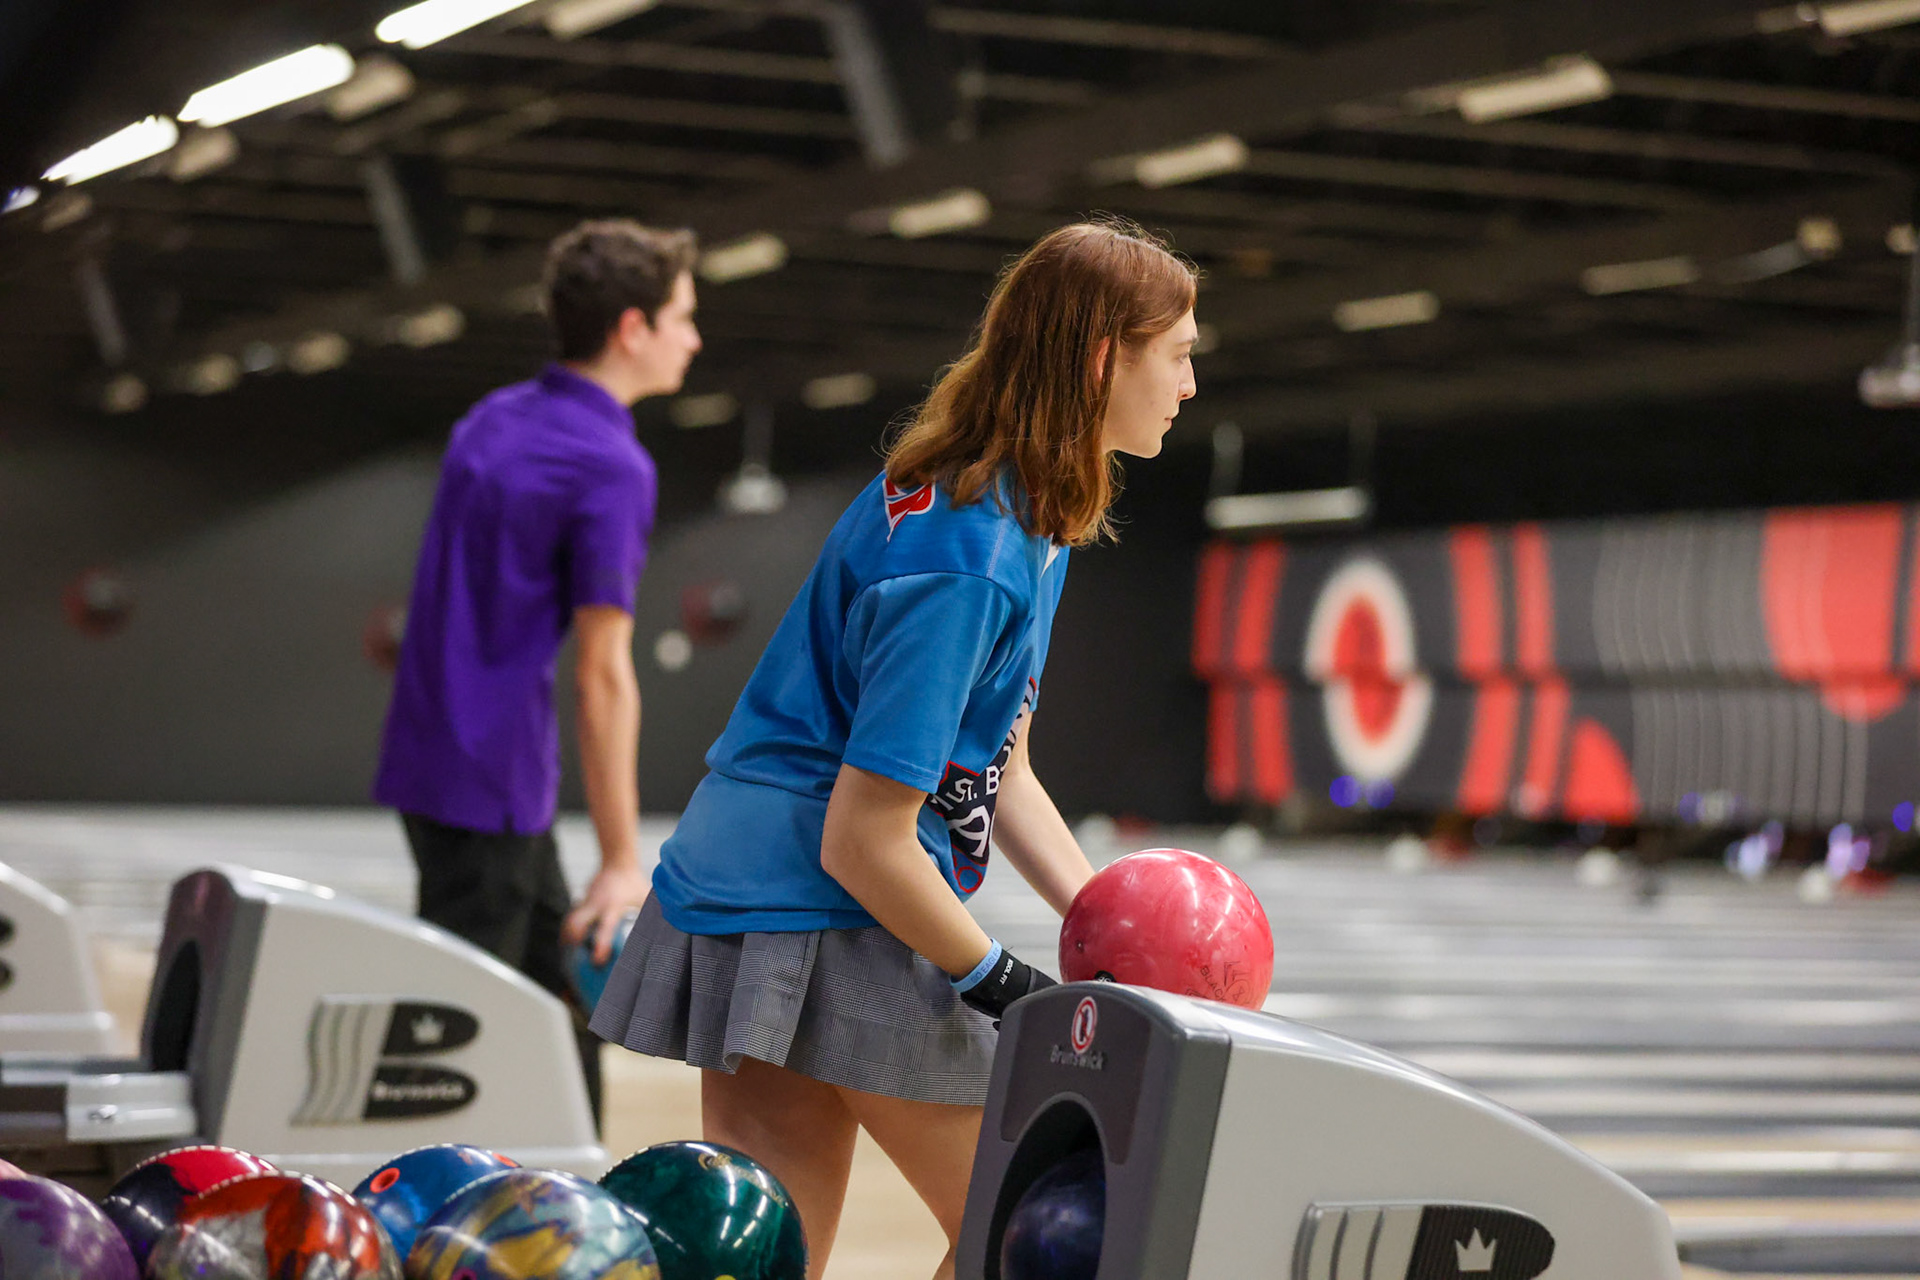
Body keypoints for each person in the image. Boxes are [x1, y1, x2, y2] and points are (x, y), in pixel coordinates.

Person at [591, 220, 1198, 1279]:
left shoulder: (1017, 510)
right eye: (1180, 353)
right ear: (1105, 356)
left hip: (745, 891)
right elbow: (865, 837)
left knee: (762, 1258)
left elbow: (999, 762)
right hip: (815, 901)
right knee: (1044, 1234)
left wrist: (1107, 920)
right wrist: (997, 978)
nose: (1190, 384)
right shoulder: (972, 552)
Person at [374, 218, 701, 1127]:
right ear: (630, 329)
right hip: (493, 781)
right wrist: (623, 860)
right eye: (682, 317)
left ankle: (566, 1210)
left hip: (430, 758)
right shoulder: (608, 464)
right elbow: (602, 673)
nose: (695, 338)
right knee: (458, 1053)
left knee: (556, 1009)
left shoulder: (492, 419)